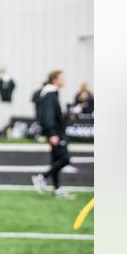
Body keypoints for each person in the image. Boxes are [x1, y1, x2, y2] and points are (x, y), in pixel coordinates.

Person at [32, 69, 73, 198]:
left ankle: (57, 189)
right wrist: (52, 133)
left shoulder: (51, 93)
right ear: (55, 79)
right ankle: (42, 177)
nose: (64, 80)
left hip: (55, 131)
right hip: (56, 132)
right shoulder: (50, 94)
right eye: (62, 78)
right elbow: (48, 115)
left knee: (56, 159)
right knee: (65, 159)